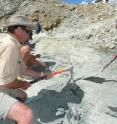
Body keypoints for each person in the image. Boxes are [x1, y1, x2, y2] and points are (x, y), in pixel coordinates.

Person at [0, 15, 47, 124]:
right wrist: (22, 84)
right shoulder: (9, 45)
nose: (30, 34)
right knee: (26, 114)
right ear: (19, 29)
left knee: (23, 96)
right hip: (2, 85)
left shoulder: (14, 44)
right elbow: (5, 83)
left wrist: (41, 74)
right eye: (28, 31)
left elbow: (23, 69)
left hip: (3, 85)